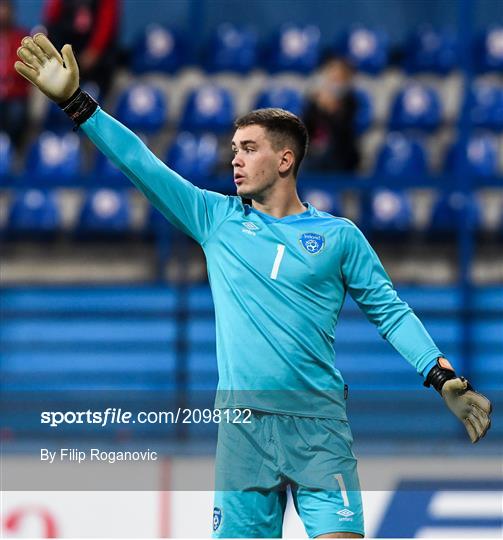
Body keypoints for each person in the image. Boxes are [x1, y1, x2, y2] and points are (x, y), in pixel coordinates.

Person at [15, 34, 493, 539]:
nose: (236, 160)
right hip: (242, 430)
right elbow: (142, 164)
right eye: (234, 149)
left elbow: (391, 313)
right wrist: (77, 104)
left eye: (248, 149)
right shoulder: (215, 218)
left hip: (318, 427)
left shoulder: (338, 237)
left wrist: (440, 376)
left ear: (285, 160)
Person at [42, 0, 120, 98]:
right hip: (65, 52)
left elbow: (107, 24)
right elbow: (51, 19)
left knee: (93, 94)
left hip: (96, 64)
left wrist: (94, 50)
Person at [303, 55, 360, 172]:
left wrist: (331, 111)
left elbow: (343, 134)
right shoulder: (314, 100)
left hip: (341, 157)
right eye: (331, 74)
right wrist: (317, 106)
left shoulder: (351, 101)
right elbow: (306, 128)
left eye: (339, 76)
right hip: (314, 155)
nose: (334, 80)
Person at [0, 0, 30, 147]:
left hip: (15, 96)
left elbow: (23, 68)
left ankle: (15, 158)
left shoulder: (22, 38)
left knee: (16, 115)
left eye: (5, 8)